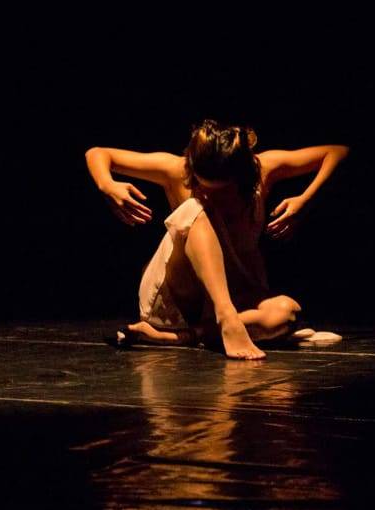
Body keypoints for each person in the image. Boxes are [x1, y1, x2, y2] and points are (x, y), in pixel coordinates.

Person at [85, 119, 349, 360]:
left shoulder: (263, 170)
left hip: (229, 300)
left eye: (224, 191)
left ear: (244, 178)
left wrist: (306, 200)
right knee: (195, 209)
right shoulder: (177, 171)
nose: (211, 196)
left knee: (287, 311)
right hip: (177, 300)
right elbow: (97, 153)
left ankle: (182, 338)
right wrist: (107, 185)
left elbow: (336, 152)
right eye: (203, 186)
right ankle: (226, 320)